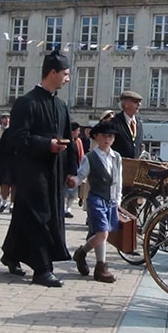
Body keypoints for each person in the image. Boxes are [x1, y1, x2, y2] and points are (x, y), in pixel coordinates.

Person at [0, 49, 78, 287]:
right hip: (31, 171)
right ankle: (43, 268)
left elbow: (69, 140)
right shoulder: (26, 103)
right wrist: (47, 144)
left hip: (53, 171)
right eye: (64, 73)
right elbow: (17, 137)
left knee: (29, 216)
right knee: (39, 217)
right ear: (52, 72)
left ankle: (11, 254)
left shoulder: (61, 106)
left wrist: (71, 171)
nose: (67, 78)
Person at [69, 121, 122, 283]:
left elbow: (118, 180)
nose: (107, 139)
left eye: (110, 136)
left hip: (111, 200)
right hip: (96, 198)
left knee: (103, 234)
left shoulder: (116, 157)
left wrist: (118, 200)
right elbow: (81, 175)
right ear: (96, 137)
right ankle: (101, 266)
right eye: (104, 136)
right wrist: (74, 181)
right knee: (102, 233)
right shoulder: (90, 157)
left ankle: (83, 253)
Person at [111, 91, 143, 159]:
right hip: (119, 165)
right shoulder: (114, 122)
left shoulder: (139, 124)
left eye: (139, 102)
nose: (139, 104)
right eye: (135, 101)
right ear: (126, 104)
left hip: (135, 166)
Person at [64, 122, 84, 218]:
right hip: (66, 167)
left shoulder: (78, 141)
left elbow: (80, 155)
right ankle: (64, 208)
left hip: (75, 166)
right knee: (65, 189)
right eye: (78, 131)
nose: (79, 133)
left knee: (73, 190)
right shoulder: (66, 140)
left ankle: (69, 208)